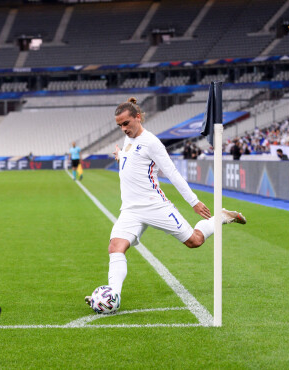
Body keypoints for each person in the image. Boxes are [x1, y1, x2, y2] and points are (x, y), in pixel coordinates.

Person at [85, 97, 246, 310]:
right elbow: (131, 161)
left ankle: (223, 216)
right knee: (115, 247)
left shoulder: (151, 142)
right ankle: (112, 296)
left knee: (194, 241)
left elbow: (173, 173)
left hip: (155, 206)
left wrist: (194, 202)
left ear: (138, 118)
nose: (123, 129)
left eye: (126, 123)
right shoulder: (128, 139)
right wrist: (120, 157)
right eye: (120, 125)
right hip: (131, 210)